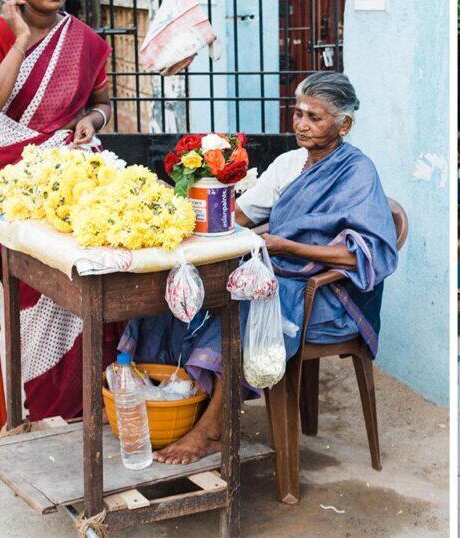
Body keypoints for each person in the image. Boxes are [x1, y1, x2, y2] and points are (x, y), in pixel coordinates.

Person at [123, 72, 399, 463]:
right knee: (185, 294)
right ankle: (177, 405)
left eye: (315, 118)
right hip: (280, 274)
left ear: (344, 124)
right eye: (298, 113)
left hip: (329, 297)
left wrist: (285, 245)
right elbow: (240, 214)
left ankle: (213, 428)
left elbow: (365, 253)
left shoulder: (358, 171)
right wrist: (181, 210)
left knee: (242, 309)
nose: (302, 124)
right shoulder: (290, 163)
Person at [0, 0, 115, 422]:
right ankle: (48, 409)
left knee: (91, 281)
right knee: (33, 294)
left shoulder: (87, 42)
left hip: (71, 181)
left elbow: (100, 105)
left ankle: (94, 403)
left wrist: (90, 122)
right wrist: (22, 41)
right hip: (15, 186)